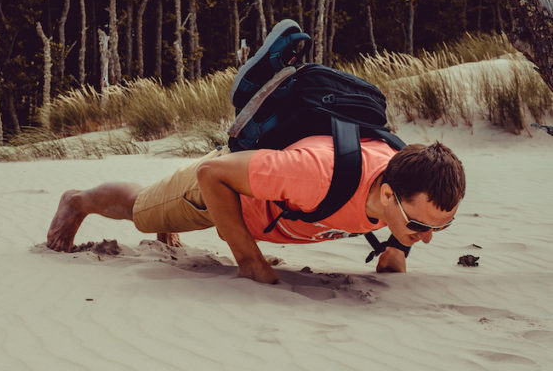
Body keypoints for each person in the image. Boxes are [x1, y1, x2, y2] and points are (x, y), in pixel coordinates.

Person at [46, 136, 465, 284]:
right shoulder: (314, 175)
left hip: (259, 193)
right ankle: (77, 200)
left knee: (161, 211)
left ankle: (166, 219)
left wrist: (397, 250)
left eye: (438, 229)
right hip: (222, 190)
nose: (426, 236)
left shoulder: (410, 179)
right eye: (418, 227)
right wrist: (248, 261)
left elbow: (416, 221)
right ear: (388, 195)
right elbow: (213, 174)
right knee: (141, 208)